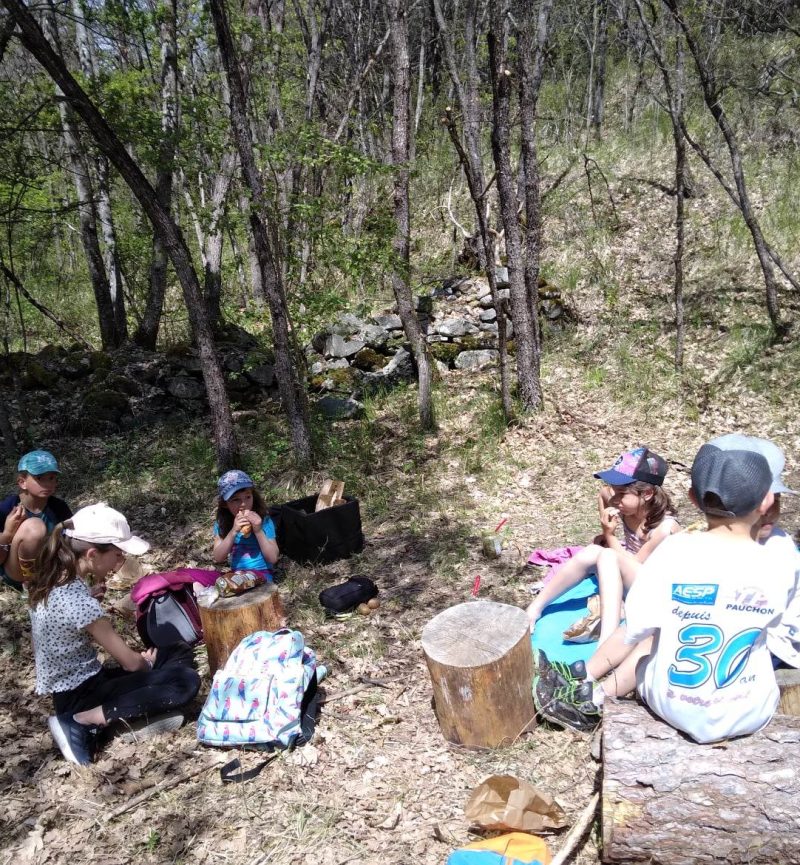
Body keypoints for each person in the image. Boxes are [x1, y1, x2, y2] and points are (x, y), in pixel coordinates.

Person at [535, 437, 795, 743]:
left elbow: (633, 629)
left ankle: (590, 692)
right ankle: (588, 685)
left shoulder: (676, 549)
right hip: (750, 712)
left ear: (693, 499)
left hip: (673, 703)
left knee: (651, 639)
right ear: (765, 500)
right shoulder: (783, 555)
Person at [30, 503, 201, 765]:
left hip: (78, 686)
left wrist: (90, 597)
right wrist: (147, 663)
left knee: (176, 651)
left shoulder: (53, 580)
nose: (120, 563)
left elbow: (65, 612)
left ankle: (117, 720)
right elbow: (131, 663)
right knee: (185, 680)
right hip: (81, 696)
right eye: (118, 555)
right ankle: (85, 722)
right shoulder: (79, 603)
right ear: (92, 554)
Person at [526, 447, 679, 644]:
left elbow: (631, 562)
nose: (614, 499)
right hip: (624, 573)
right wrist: (605, 529)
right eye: (615, 491)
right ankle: (534, 608)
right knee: (593, 552)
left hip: (652, 589)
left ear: (647, 493)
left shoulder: (665, 530)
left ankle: (607, 640)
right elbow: (603, 493)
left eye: (622, 493)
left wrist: (609, 534)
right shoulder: (625, 506)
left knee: (606, 555)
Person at [0, 450, 72, 591]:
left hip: (51, 569)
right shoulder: (6, 509)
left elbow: (70, 543)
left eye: (51, 478)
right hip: (17, 574)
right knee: (34, 527)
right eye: (40, 478)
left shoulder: (58, 507)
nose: (47, 483)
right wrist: (7, 534)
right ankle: (33, 586)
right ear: (22, 482)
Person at [212, 470, 279, 580]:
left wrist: (258, 531)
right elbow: (219, 557)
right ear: (224, 504)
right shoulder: (222, 523)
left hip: (262, 574)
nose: (244, 504)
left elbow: (273, 558)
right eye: (236, 500)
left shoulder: (264, 520)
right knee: (195, 579)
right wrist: (233, 531)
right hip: (236, 575)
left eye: (248, 497)